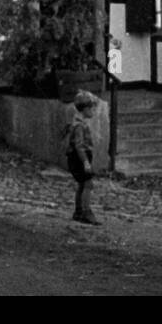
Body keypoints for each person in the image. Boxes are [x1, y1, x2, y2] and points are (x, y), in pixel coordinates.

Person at [65, 90, 101, 225]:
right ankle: (86, 211)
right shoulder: (79, 125)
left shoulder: (77, 122)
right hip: (79, 158)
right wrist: (85, 162)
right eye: (92, 108)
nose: (93, 111)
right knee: (88, 184)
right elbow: (79, 146)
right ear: (85, 109)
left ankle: (78, 211)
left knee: (81, 184)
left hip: (77, 157)